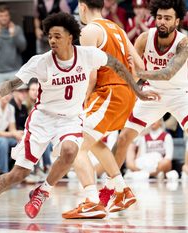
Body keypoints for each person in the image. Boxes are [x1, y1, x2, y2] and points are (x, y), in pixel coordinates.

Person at [0, 12, 157, 221]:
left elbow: (117, 64)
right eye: (50, 36)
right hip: (42, 120)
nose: (52, 40)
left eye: (57, 36)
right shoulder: (40, 62)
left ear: (70, 37)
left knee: (72, 149)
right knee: (19, 174)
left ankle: (43, 192)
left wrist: (137, 90)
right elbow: (13, 83)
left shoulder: (87, 55)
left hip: (70, 119)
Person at [62, 0, 146, 217]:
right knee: (95, 141)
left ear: (82, 6)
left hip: (108, 92)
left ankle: (91, 201)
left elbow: (90, 75)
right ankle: (122, 190)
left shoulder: (90, 30)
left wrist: (80, 102)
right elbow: (141, 67)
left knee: (75, 143)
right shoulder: (117, 28)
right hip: (125, 93)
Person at [115, 0, 188, 185]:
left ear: (177, 21)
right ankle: (112, 187)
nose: (162, 22)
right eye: (160, 17)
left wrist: (137, 73)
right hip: (151, 91)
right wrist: (136, 91)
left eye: (168, 18)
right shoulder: (144, 39)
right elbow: (129, 74)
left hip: (179, 93)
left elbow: (167, 73)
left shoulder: (184, 42)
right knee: (124, 137)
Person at [0, 5, 27, 87]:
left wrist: (13, 34)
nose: (4, 18)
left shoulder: (17, 29)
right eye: (1, 16)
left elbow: (23, 48)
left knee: (21, 97)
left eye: (6, 15)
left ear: (9, 17)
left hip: (16, 71)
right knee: (2, 98)